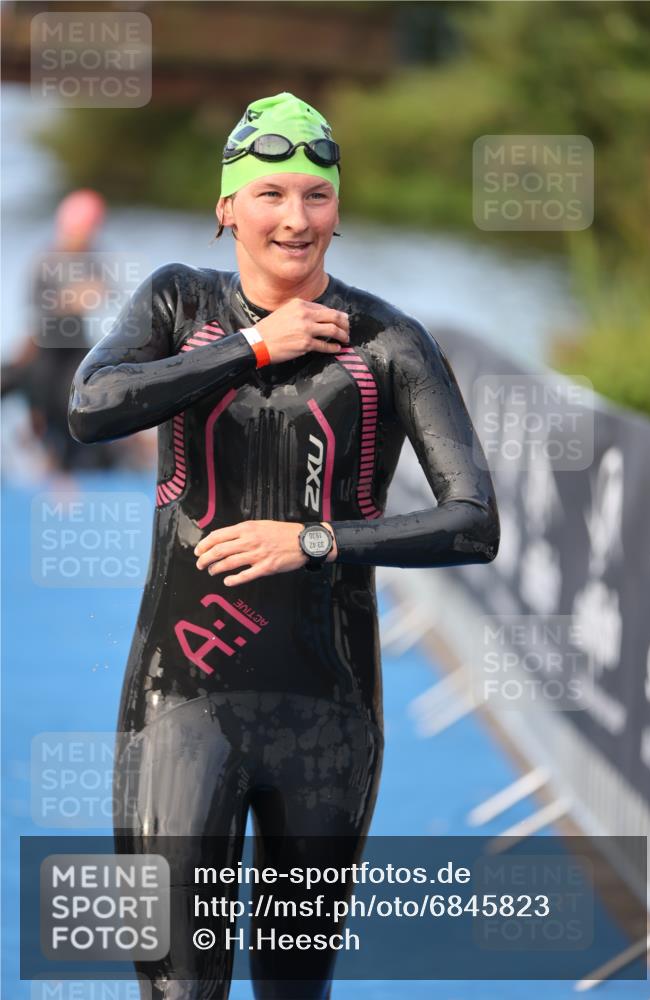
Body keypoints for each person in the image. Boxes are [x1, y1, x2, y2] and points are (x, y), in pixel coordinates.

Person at [68, 92, 500, 999]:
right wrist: (253, 348)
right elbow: (90, 408)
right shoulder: (178, 302)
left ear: (337, 211)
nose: (293, 219)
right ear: (227, 206)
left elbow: (473, 522)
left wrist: (313, 541)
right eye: (269, 194)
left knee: (294, 988)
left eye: (315, 195)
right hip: (178, 700)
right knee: (176, 986)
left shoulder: (387, 343)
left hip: (328, 712)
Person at [1, 189, 121, 475]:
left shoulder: (91, 260)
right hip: (47, 348)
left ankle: (70, 462)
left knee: (77, 403)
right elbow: (41, 315)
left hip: (74, 351)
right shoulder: (46, 260)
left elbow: (105, 292)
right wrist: (69, 300)